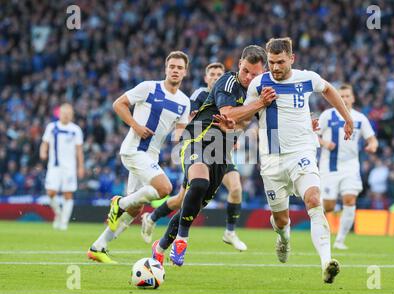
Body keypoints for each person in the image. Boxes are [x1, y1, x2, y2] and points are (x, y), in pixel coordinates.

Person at [151, 45, 277, 267]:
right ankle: (182, 240)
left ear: (262, 72)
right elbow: (228, 113)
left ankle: (160, 247)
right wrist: (256, 106)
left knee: (192, 206)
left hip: (221, 151)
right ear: (239, 64)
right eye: (245, 70)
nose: (248, 77)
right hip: (197, 139)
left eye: (254, 74)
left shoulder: (260, 90)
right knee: (199, 182)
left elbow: (250, 121)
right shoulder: (229, 82)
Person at [245, 38, 354, 283]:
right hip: (272, 160)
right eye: (271, 62)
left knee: (314, 200)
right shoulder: (258, 83)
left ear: (291, 59)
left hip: (301, 153)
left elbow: (328, 89)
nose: (275, 67)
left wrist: (347, 118)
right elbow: (245, 117)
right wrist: (257, 106)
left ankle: (327, 262)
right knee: (281, 220)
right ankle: (284, 238)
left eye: (280, 62)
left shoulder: (306, 78)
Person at [87, 51, 191, 263]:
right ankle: (119, 202)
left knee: (136, 208)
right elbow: (118, 104)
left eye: (179, 67)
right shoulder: (149, 87)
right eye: (172, 66)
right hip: (135, 149)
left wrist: (191, 126)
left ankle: (98, 247)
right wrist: (136, 125)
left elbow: (177, 135)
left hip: (151, 155)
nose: (175, 70)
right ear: (166, 68)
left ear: (185, 72)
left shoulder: (184, 102)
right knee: (164, 188)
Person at [141, 62, 248, 251]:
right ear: (206, 78)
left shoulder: (233, 94)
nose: (216, 77)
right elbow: (187, 120)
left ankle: (230, 232)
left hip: (222, 151)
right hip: (199, 147)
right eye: (212, 74)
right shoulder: (199, 95)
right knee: (183, 199)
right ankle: (153, 217)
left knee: (236, 188)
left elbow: (240, 122)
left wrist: (233, 135)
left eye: (219, 74)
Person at [318, 83, 378, 250]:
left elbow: (371, 138)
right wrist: (324, 142)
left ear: (353, 98)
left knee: (350, 199)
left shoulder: (360, 118)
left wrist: (372, 145)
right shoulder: (326, 116)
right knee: (328, 206)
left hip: (350, 166)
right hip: (329, 167)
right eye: (341, 96)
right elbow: (312, 135)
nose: (344, 99)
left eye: (347, 96)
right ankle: (320, 232)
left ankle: (340, 240)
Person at [40, 103, 84, 231]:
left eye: (69, 114)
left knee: (68, 194)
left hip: (69, 167)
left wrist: (81, 166)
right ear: (59, 114)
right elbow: (45, 142)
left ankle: (64, 222)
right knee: (50, 192)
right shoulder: (51, 127)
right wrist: (43, 152)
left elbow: (79, 150)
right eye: (64, 113)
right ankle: (58, 214)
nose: (66, 116)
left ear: (72, 115)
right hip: (54, 166)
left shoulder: (75, 130)